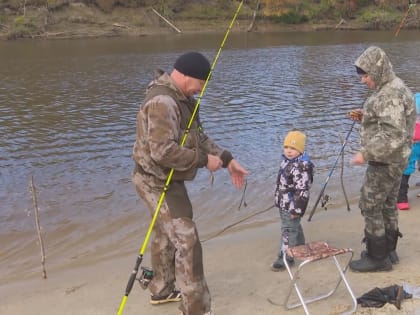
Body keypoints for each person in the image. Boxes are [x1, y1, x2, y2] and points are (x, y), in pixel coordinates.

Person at [131, 51, 248, 315]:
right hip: (153, 181)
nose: (202, 89)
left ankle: (161, 290)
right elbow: (161, 151)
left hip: (167, 179)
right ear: (185, 76)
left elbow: (198, 137)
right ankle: (197, 309)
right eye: (201, 82)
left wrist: (226, 159)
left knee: (165, 233)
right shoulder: (163, 101)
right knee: (187, 240)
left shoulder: (183, 99)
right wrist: (204, 161)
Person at [348, 46, 416, 272]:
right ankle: (389, 250)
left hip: (386, 161)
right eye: (361, 75)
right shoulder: (392, 87)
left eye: (365, 75)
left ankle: (377, 258)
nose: (363, 80)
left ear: (377, 70)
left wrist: (364, 154)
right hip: (397, 160)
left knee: (370, 204)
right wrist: (367, 117)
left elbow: (392, 135)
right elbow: (393, 123)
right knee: (388, 204)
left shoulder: (389, 94)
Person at [271, 130, 314, 271]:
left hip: (292, 205)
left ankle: (286, 258)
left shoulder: (301, 167)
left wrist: (296, 209)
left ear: (300, 150)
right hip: (284, 202)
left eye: (293, 148)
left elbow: (302, 191)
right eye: (287, 147)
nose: (289, 151)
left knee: (288, 230)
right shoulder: (287, 162)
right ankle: (301, 246)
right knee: (293, 226)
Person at [397, 92, 420, 210]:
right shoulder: (413, 100)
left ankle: (401, 198)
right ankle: (401, 198)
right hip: (411, 144)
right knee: (405, 169)